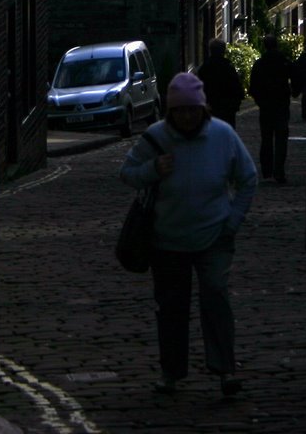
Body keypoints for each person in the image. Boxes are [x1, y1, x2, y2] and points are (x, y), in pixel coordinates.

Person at [119, 72, 257, 397]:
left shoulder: (222, 135)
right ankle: (171, 372)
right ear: (170, 111)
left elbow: (248, 178)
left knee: (216, 297)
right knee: (171, 307)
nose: (186, 116)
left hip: (214, 235)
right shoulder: (156, 138)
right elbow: (126, 174)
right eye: (179, 111)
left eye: (192, 110)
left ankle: (225, 369)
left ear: (202, 109)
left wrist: (232, 221)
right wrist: (153, 170)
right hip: (167, 239)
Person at [247, 34, 294, 183]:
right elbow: (295, 74)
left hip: (266, 106)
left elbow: (253, 86)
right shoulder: (283, 61)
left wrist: (259, 100)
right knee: (281, 138)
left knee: (266, 138)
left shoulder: (260, 63)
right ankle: (279, 171)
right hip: (281, 104)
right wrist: (294, 90)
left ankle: (267, 172)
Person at [196, 38, 244, 128]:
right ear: (223, 51)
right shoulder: (228, 68)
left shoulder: (204, 68)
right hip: (227, 109)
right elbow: (237, 88)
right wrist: (235, 105)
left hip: (210, 108)